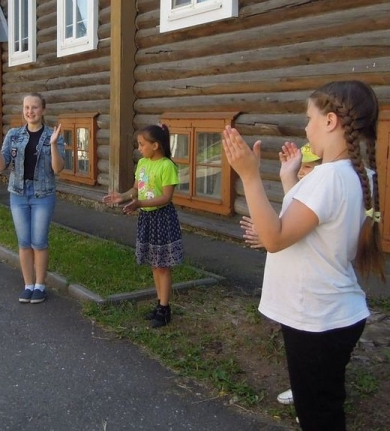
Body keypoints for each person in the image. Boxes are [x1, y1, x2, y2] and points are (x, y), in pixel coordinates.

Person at [222, 80, 385, 430]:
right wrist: (288, 179)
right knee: (324, 406)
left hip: (317, 319)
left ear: (330, 122)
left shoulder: (328, 177)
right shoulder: (359, 175)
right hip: (335, 314)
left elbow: (275, 238)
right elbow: (315, 226)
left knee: (320, 419)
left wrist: (249, 175)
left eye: (309, 118)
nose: (306, 127)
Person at [240, 143, 322, 405]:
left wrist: (268, 238)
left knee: (315, 352)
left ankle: (313, 401)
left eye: (307, 167)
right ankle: (302, 389)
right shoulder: (305, 191)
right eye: (301, 167)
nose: (301, 172)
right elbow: (290, 227)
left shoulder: (323, 192)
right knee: (298, 349)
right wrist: (289, 178)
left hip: (312, 291)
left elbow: (304, 240)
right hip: (295, 290)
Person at [0, 93, 65, 304]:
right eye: (27, 107)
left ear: (43, 110)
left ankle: (40, 285)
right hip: (18, 193)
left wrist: (53, 145)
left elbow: (58, 168)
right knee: (24, 242)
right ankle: (28, 285)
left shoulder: (53, 135)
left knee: (39, 242)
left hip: (42, 194)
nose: (30, 111)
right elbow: (1, 166)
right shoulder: (14, 135)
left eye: (34, 107)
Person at [102, 124, 184, 328]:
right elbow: (137, 190)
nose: (139, 148)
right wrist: (122, 197)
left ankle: (165, 309)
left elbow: (166, 197)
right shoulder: (143, 164)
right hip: (147, 219)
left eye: (142, 144)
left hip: (162, 219)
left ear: (155, 145)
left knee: (163, 265)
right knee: (155, 264)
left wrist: (139, 204)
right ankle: (159, 304)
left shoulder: (167, 166)